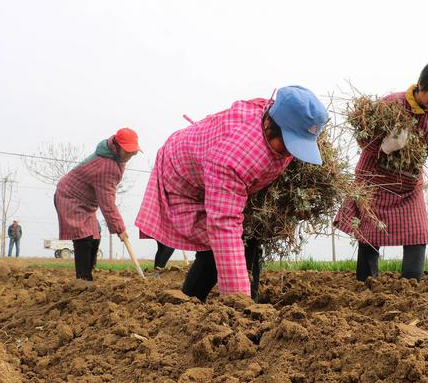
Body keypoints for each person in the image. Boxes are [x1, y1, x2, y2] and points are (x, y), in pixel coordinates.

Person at [135, 86, 328, 301]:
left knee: (252, 237)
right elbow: (223, 225)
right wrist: (240, 303)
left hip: (210, 161)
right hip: (182, 177)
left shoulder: (275, 115)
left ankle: (247, 304)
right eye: (289, 144)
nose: (292, 153)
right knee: (216, 246)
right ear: (269, 125)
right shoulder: (235, 158)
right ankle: (188, 304)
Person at [335, 60, 428, 282]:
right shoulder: (391, 104)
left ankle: (410, 286)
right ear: (420, 85)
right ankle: (366, 284)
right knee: (370, 234)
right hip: (375, 181)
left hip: (408, 187)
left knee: (418, 234)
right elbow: (364, 136)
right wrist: (384, 145)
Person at [55, 128, 140, 281]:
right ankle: (83, 280)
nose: (131, 155)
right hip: (70, 197)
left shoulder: (115, 157)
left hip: (85, 200)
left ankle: (88, 271)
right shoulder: (107, 166)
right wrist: (120, 228)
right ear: (117, 146)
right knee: (84, 238)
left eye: (133, 151)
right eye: (128, 151)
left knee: (95, 236)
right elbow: (107, 202)